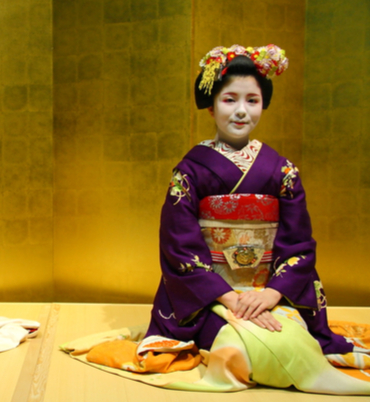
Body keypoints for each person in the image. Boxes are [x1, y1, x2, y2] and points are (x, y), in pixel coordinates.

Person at [145, 44, 356, 356]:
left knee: (292, 344)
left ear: (263, 105)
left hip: (271, 292)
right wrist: (230, 298)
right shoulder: (190, 171)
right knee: (242, 347)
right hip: (211, 296)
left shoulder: (282, 170)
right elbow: (179, 245)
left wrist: (272, 294)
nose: (241, 110)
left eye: (252, 100)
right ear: (211, 106)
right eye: (230, 99)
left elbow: (298, 243)